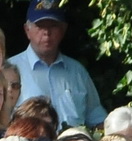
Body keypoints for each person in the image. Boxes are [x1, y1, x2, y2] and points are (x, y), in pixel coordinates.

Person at [7, 0, 102, 132]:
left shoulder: (77, 71)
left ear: (63, 29)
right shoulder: (10, 69)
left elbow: (97, 118)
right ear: (27, 30)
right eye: (40, 26)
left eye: (53, 26)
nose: (47, 32)